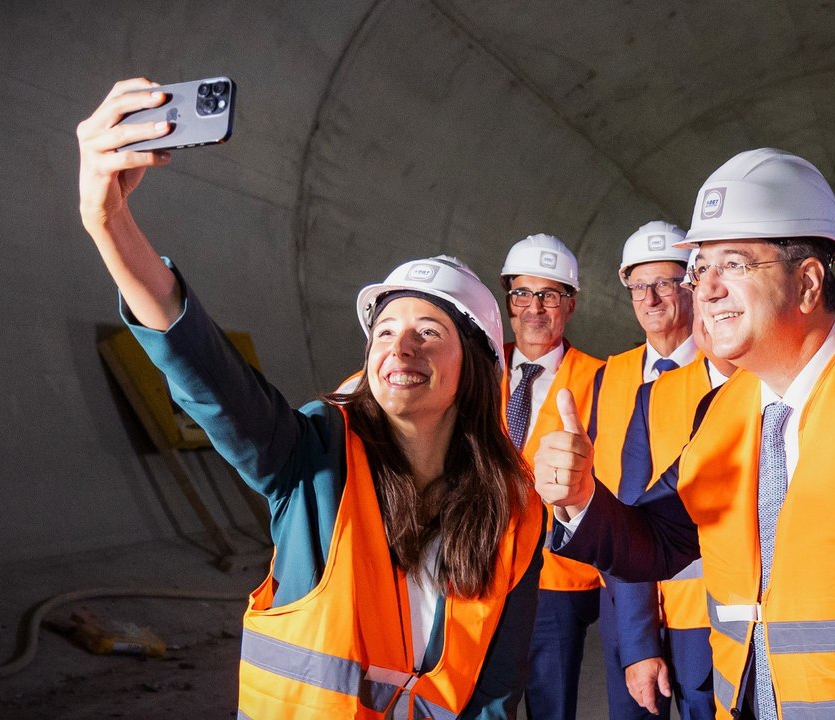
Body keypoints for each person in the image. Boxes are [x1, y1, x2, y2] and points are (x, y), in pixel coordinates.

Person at [77, 78, 544, 719]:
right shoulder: (314, 457)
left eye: (428, 333)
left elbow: (496, 685)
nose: (398, 348)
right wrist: (109, 223)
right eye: (385, 331)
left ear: (478, 370)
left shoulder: (512, 506)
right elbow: (207, 372)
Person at [535, 148, 835, 720]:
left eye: (733, 264)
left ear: (809, 283)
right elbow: (657, 541)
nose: (704, 289)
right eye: (700, 267)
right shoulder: (726, 409)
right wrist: (582, 500)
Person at [612, 249, 734, 720]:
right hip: (694, 628)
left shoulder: (788, 390)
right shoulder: (655, 398)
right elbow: (632, 527)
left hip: (789, 628)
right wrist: (640, 646)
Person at [496, 234, 606, 720]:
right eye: (523, 293)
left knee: (550, 705)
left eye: (550, 295)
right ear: (508, 301)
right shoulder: (476, 367)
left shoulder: (602, 378)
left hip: (556, 581)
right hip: (479, 567)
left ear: (571, 304)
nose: (534, 308)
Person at [590, 220, 694, 720]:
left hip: (704, 606)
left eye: (666, 283)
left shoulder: (733, 370)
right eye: (638, 286)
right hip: (626, 601)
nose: (650, 298)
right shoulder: (607, 377)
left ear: (693, 283)